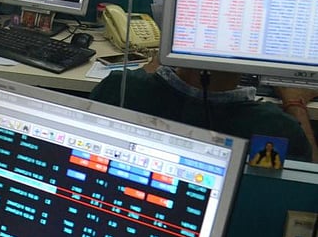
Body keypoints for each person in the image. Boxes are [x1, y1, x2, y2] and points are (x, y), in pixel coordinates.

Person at [90, 59, 318, 162]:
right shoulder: (276, 128)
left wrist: (151, 69)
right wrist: (295, 104)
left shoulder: (118, 89)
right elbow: (308, 192)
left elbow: (140, 85)